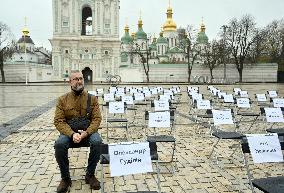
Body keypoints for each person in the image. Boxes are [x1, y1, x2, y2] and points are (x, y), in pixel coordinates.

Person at [54, 70, 102, 193]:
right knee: (59, 144)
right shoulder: (62, 100)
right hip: (70, 133)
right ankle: (65, 178)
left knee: (97, 141)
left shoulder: (92, 99)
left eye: (81, 78)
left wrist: (86, 133)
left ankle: (90, 174)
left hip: (87, 132)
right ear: (70, 82)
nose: (79, 81)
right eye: (75, 79)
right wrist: (72, 134)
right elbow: (59, 121)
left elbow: (96, 119)